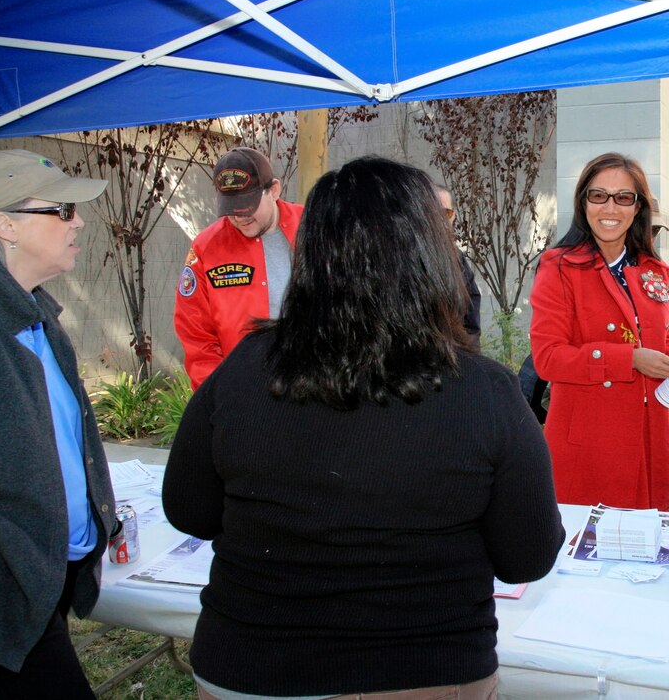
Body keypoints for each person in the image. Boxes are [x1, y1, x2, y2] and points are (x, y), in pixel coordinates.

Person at [163, 156, 565, 700]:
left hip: (249, 664)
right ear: (430, 254)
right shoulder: (484, 391)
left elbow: (191, 510)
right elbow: (528, 555)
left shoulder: (245, 367)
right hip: (421, 668)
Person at [0, 149, 117, 698]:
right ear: (4, 225)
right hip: (3, 593)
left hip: (42, 577)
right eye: (61, 209)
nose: (78, 220)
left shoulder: (35, 312)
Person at [529, 153, 669, 511]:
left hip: (650, 443)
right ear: (583, 201)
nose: (610, 207)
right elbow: (548, 359)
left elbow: (654, 342)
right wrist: (629, 360)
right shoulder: (559, 267)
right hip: (591, 445)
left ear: (638, 208)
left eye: (623, 197)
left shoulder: (653, 270)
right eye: (598, 195)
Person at [173, 147, 303, 389]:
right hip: (244, 391)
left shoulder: (314, 228)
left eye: (248, 205)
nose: (240, 217)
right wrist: (217, 396)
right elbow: (196, 335)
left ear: (273, 190)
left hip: (313, 388)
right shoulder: (206, 248)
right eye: (232, 208)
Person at [434, 183, 482, 342]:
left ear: (453, 216)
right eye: (432, 212)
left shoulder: (457, 259)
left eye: (445, 213)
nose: (438, 219)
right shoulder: (404, 260)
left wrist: (471, 354)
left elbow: (471, 315)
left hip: (456, 356)